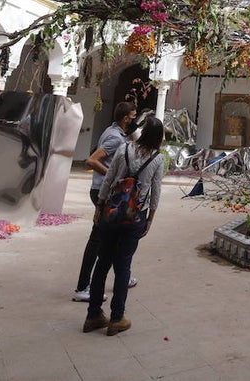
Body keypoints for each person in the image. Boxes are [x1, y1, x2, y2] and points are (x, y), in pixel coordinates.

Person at [83, 112, 165, 336]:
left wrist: (100, 206)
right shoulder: (157, 159)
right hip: (135, 216)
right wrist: (150, 219)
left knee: (103, 262)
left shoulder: (124, 149)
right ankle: (117, 318)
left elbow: (109, 178)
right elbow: (156, 192)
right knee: (123, 266)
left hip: (112, 211)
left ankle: (93, 315)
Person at [73, 99, 137, 302]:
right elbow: (91, 160)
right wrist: (112, 175)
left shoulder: (114, 132)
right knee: (97, 240)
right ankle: (83, 286)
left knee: (114, 236)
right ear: (126, 118)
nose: (134, 121)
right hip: (103, 191)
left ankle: (122, 275)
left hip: (106, 191)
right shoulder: (114, 138)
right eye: (133, 117)